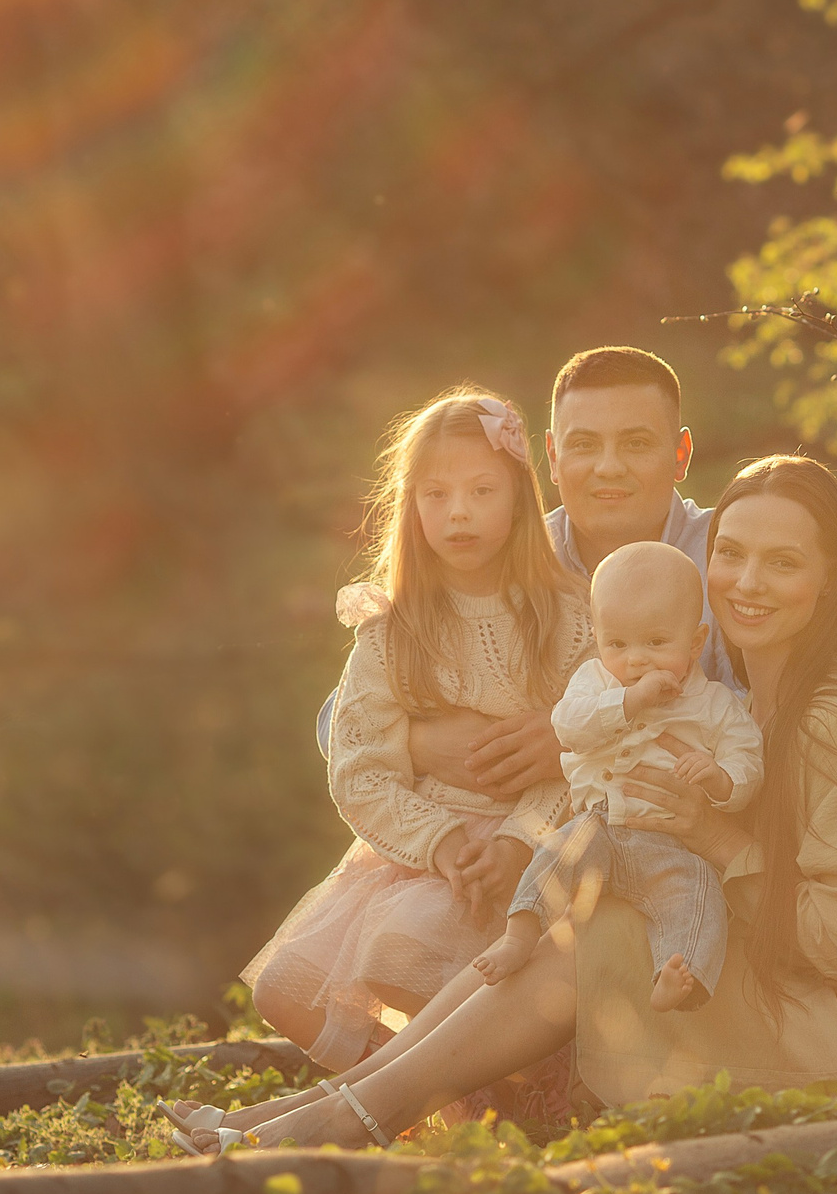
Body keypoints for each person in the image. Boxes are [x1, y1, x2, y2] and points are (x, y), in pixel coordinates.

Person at [183, 455, 837, 1153]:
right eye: (732, 554)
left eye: (783, 562)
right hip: (823, 1002)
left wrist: (715, 837)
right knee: (584, 898)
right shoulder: (748, 699)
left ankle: (352, 1118)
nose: (748, 583)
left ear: (828, 582)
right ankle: (320, 1109)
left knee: (600, 928)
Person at [234, 388, 591, 1072]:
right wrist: (442, 839)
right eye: (436, 494)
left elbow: (585, 756)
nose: (458, 511)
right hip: (426, 846)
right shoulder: (391, 626)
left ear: (519, 495)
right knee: (285, 987)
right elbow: (358, 763)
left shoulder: (566, 616)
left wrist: (519, 842)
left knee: (401, 949)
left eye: (482, 489)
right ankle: (435, 1095)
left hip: (531, 846)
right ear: (410, 504)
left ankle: (496, 1082)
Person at [316, 347, 732, 803]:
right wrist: (422, 743)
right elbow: (341, 715)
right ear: (551, 456)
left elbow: (759, 722)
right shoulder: (506, 552)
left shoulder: (728, 557)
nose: (608, 466)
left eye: (635, 443)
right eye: (584, 444)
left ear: (680, 453)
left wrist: (573, 737)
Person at [473, 540, 761, 1013]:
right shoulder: (597, 682)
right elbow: (568, 725)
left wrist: (719, 778)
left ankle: (678, 973)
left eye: (655, 643)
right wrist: (631, 702)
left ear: (695, 642)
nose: (636, 661)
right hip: (601, 825)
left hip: (673, 845)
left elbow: (747, 755)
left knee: (699, 894)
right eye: (619, 644)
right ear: (599, 639)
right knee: (557, 853)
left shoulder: (713, 704)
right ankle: (519, 935)